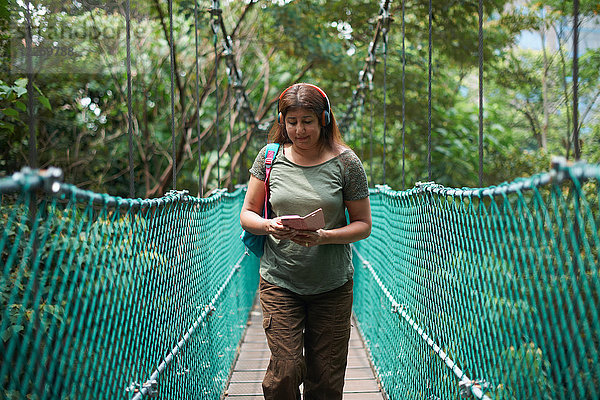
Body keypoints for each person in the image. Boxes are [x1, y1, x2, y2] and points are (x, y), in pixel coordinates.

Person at [240, 82, 371, 400]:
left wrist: (323, 236)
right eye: (292, 121)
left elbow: (363, 225)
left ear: (324, 119)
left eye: (308, 121)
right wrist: (269, 226)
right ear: (283, 122)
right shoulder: (269, 158)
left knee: (325, 379)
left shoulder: (346, 163)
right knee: (284, 369)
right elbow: (247, 214)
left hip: (333, 285)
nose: (299, 129)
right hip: (280, 281)